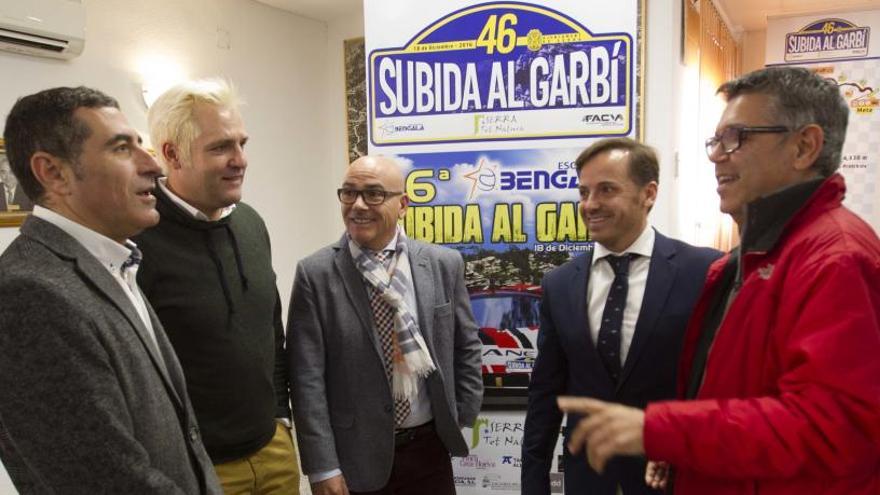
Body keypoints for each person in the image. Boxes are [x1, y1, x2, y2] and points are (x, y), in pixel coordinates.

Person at [560, 67, 880, 494]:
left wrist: (663, 430)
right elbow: (734, 393)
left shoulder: (835, 258)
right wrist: (682, 452)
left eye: (737, 138)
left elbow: (831, 430)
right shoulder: (742, 263)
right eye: (715, 141)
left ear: (804, 146)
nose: (717, 155)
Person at [0, 86, 221, 493]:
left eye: (142, 144)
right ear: (53, 172)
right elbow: (108, 480)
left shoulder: (116, 263)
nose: (152, 166)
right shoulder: (28, 292)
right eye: (122, 148)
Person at [522, 138, 721, 494]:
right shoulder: (560, 283)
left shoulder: (703, 271)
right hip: (588, 480)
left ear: (649, 193)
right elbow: (546, 395)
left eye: (606, 190)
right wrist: (533, 485)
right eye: (583, 192)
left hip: (672, 478)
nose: (590, 204)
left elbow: (717, 388)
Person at [133, 79, 300, 494]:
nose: (239, 159)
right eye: (220, 147)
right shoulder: (136, 240)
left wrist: (281, 416)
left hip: (273, 449)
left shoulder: (250, 223)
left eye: (242, 143)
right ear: (172, 153)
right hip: (199, 467)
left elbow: (270, 328)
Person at [287, 155, 483, 495]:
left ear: (403, 204)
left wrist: (460, 415)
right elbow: (307, 380)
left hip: (429, 451)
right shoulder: (315, 274)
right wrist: (323, 467)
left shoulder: (442, 264)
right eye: (348, 193)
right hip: (354, 460)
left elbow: (465, 346)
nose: (358, 205)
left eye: (374, 194)